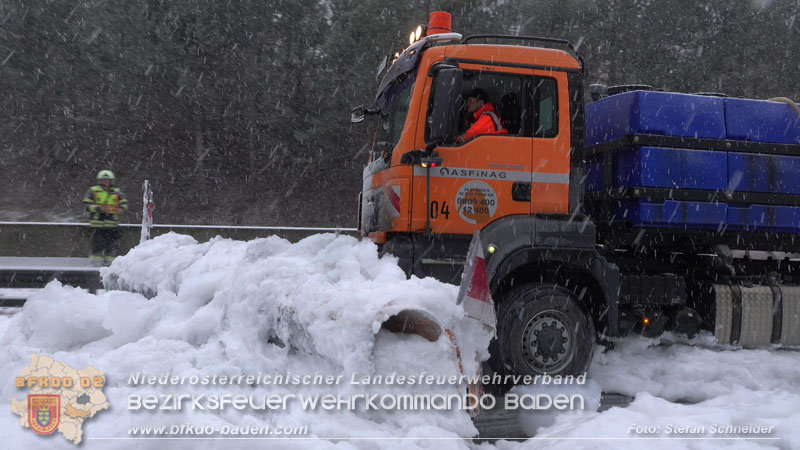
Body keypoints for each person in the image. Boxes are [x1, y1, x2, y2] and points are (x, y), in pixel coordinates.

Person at [83, 170, 128, 264]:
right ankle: (95, 265)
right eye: (103, 179)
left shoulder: (117, 192)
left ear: (112, 181)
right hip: (97, 224)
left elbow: (124, 204)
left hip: (112, 224)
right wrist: (99, 208)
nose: (106, 181)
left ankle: (111, 264)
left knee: (112, 245)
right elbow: (86, 204)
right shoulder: (93, 190)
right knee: (97, 245)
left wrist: (121, 209)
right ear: (100, 180)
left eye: (108, 180)